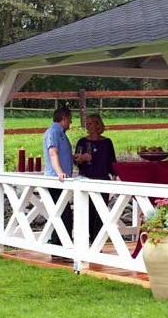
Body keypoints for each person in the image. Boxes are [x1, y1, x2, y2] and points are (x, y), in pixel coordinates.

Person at [74, 113, 117, 243]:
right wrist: (81, 159)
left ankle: (97, 242)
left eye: (90, 123)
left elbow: (112, 161)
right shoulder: (82, 142)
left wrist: (115, 174)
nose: (88, 125)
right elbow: (76, 161)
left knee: (101, 213)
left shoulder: (107, 142)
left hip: (103, 179)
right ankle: (85, 241)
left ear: (98, 125)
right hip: (86, 179)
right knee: (87, 211)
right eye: (86, 123)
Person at [43, 106, 74, 248]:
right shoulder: (53, 132)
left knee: (62, 214)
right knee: (64, 215)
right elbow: (53, 152)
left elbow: (62, 154)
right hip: (56, 180)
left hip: (63, 180)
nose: (70, 123)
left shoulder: (61, 133)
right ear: (64, 119)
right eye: (70, 120)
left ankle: (58, 246)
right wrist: (60, 172)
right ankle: (60, 247)